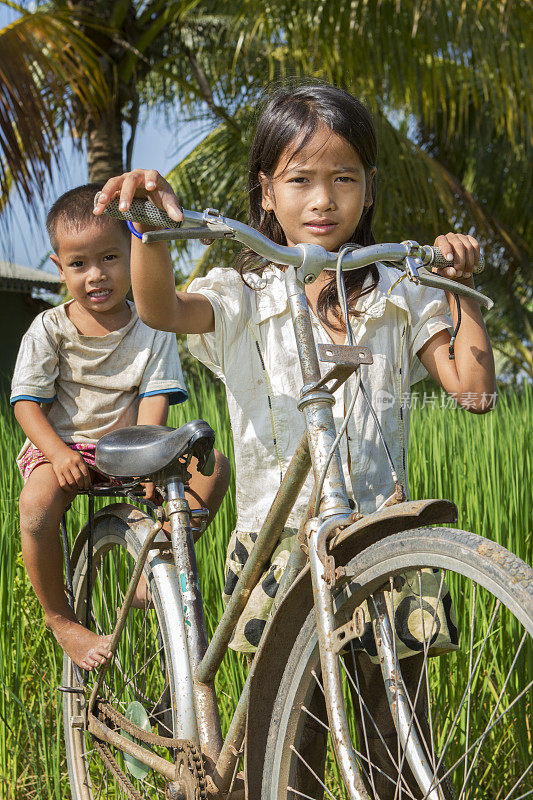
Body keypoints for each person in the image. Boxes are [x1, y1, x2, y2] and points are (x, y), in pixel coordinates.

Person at [94, 83, 496, 795]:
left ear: (368, 189)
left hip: (384, 540)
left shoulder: (401, 294)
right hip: (276, 548)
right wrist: (148, 230)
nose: (322, 200)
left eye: (343, 178)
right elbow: (159, 310)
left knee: (399, 740)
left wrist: (455, 287)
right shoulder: (243, 292)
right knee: (287, 746)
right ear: (265, 191)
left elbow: (472, 390)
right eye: (300, 180)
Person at [11, 184, 230, 673]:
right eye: (79, 264)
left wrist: (150, 455)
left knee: (212, 467)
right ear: (58, 266)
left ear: (133, 252)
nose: (96, 276)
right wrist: (58, 453)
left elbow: (155, 396)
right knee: (36, 505)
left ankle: (153, 561)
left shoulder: (152, 324)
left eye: (110, 257)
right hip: (63, 448)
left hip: (127, 447)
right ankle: (59, 617)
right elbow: (27, 404)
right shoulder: (49, 328)